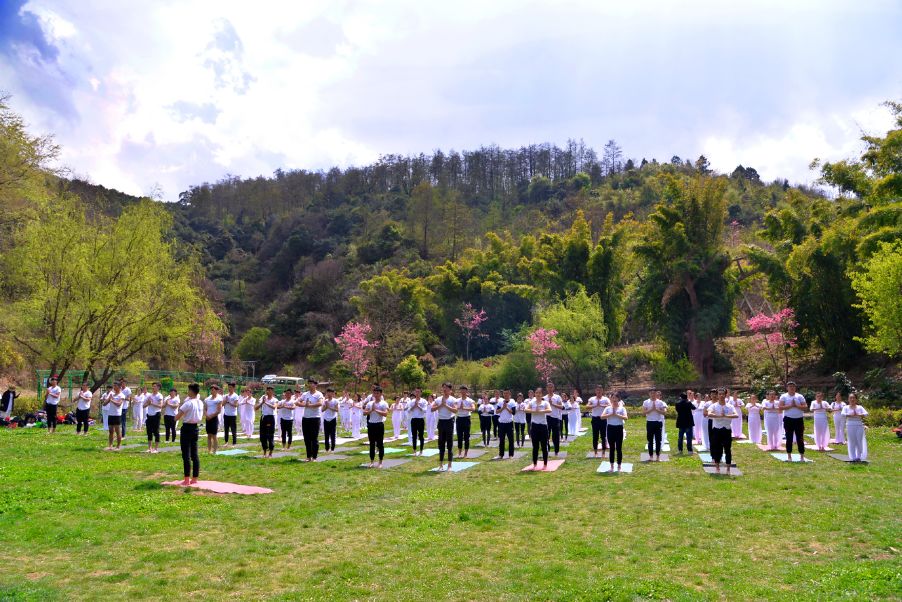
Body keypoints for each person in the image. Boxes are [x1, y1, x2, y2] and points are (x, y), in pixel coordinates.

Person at [174, 383, 203, 485]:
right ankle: (194, 478)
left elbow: (176, 417)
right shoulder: (200, 402)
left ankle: (186, 479)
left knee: (186, 454)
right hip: (195, 427)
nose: (187, 392)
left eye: (188, 390)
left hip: (187, 428)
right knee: (194, 454)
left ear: (191, 391)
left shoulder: (188, 403)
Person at [708, 389, 737, 474]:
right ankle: (717, 468)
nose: (721, 396)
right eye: (719, 394)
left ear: (725, 395)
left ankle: (728, 469)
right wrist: (719, 415)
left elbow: (736, 415)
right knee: (717, 449)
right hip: (717, 429)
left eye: (723, 394)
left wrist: (726, 415)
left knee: (727, 449)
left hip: (727, 429)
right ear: (717, 395)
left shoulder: (730, 406)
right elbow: (709, 413)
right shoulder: (714, 405)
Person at [432, 383, 458, 471]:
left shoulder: (453, 399)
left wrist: (445, 405)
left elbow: (455, 410)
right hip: (441, 422)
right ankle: (441, 465)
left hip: (449, 422)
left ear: (450, 390)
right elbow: (432, 409)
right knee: (441, 444)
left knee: (449, 444)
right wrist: (441, 405)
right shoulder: (438, 399)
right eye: (443, 388)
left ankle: (449, 465)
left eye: (446, 388)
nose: (444, 389)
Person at [779, 381, 807, 462]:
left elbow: (805, 407)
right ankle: (789, 456)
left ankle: (802, 457)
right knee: (789, 438)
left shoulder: (800, 396)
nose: (791, 388)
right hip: (788, 419)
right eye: (790, 386)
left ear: (795, 387)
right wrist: (790, 405)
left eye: (793, 386)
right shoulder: (784, 396)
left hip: (799, 419)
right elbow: (780, 407)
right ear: (787, 388)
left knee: (800, 438)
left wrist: (796, 406)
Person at [600, 394, 628, 472]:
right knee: (611, 448)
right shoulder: (608, 408)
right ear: (611, 399)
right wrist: (610, 414)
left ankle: (619, 466)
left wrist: (616, 415)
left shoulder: (622, 408)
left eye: (615, 397)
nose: (614, 399)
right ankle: (612, 467)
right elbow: (602, 417)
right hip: (610, 428)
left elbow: (626, 418)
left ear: (618, 398)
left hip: (619, 428)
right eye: (613, 398)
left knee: (619, 448)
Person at [525, 392, 551, 470]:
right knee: (535, 446)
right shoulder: (531, 402)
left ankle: (545, 464)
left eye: (539, 393)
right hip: (535, 426)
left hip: (543, 426)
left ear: (541, 395)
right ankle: (535, 464)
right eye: (537, 393)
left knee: (544, 446)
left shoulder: (545, 402)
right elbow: (526, 410)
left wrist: (540, 411)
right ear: (535, 395)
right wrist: (534, 411)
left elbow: (549, 410)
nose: (538, 395)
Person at [364, 386, 389, 468]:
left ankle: (380, 462)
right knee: (371, 444)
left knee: (380, 444)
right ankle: (371, 461)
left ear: (381, 394)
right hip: (371, 424)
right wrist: (371, 410)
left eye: (378, 393)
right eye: (375, 393)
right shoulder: (370, 403)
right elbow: (364, 413)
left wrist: (376, 410)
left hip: (379, 424)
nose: (376, 394)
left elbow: (385, 414)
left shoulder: (384, 403)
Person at [299, 379, 324, 461]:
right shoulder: (305, 394)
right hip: (305, 418)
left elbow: (320, 403)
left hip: (315, 418)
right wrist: (304, 405)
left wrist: (310, 405)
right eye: (309, 384)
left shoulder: (318, 394)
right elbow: (297, 402)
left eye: (311, 384)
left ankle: (314, 457)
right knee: (306, 438)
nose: (310, 385)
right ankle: (308, 456)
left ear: (315, 385)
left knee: (314, 438)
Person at [842, 393, 868, 462]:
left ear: (856, 399)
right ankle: (853, 457)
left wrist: (859, 414)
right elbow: (843, 414)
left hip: (859, 425)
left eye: (853, 398)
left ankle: (859, 456)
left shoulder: (859, 407)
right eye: (850, 398)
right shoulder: (846, 407)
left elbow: (866, 414)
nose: (852, 399)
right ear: (848, 399)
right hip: (850, 425)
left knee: (859, 441)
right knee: (852, 441)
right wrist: (850, 415)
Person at [642, 390, 667, 461]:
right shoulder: (646, 402)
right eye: (651, 393)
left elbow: (664, 412)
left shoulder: (660, 402)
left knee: (658, 440)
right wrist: (651, 409)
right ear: (649, 394)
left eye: (654, 393)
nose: (653, 395)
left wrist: (656, 409)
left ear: (656, 394)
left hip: (658, 422)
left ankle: (658, 456)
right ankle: (651, 456)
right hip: (650, 422)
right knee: (650, 440)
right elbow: (643, 413)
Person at [587, 386, 610, 457]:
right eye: (597, 390)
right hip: (595, 419)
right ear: (595, 391)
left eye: (600, 390)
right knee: (595, 436)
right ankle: (595, 452)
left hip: (603, 419)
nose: (599, 392)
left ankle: (603, 452)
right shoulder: (592, 399)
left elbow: (610, 405)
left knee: (603, 436)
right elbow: (587, 406)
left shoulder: (605, 399)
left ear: (602, 391)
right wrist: (595, 405)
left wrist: (601, 405)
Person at [256, 386, 278, 457]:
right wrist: (262, 402)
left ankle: (271, 452)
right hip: (263, 417)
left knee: (270, 435)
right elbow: (256, 408)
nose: (268, 392)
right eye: (267, 390)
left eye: (270, 390)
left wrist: (266, 403)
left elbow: (274, 407)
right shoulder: (263, 398)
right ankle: (264, 451)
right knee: (262, 435)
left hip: (270, 418)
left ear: (272, 392)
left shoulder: (275, 399)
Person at [496, 389, 517, 459]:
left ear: (509, 394)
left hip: (509, 423)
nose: (505, 395)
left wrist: (507, 408)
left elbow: (514, 412)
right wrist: (503, 408)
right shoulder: (500, 401)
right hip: (501, 423)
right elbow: (497, 411)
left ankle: (511, 455)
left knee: (511, 439)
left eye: (507, 393)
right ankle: (501, 454)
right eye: (504, 393)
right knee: (501, 439)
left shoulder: (512, 402)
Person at [143, 382, 164, 453]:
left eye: (154, 386)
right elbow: (144, 405)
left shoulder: (159, 396)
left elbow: (160, 406)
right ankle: (149, 448)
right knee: (149, 431)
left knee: (156, 431)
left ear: (158, 388)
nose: (153, 388)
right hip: (149, 415)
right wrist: (147, 403)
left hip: (156, 414)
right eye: (152, 386)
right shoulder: (150, 396)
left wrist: (151, 403)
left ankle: (156, 449)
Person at [407, 388, 428, 456]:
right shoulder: (412, 401)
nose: (417, 393)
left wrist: (418, 406)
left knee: (421, 435)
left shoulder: (424, 401)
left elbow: (425, 410)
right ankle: (414, 450)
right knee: (414, 435)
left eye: (418, 392)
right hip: (414, 420)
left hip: (420, 419)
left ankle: (421, 450)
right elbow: (409, 410)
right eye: (416, 392)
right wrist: (414, 406)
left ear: (421, 393)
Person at [456, 385, 475, 459]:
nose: (462, 392)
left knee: (466, 436)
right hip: (459, 419)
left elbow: (473, 408)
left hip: (466, 419)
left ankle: (466, 453)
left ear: (467, 391)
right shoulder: (457, 400)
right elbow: (454, 408)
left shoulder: (470, 400)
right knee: (459, 436)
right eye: (461, 390)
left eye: (464, 390)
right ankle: (460, 452)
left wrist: (464, 408)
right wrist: (459, 407)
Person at [545, 383, 564, 457]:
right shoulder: (544, 398)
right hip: (547, 418)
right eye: (548, 387)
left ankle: (556, 450)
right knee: (546, 435)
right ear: (546, 388)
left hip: (555, 418)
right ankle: (547, 449)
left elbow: (561, 407)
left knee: (555, 435)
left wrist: (552, 404)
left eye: (551, 387)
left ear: (553, 388)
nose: (550, 389)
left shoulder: (557, 397)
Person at [203, 384, 223, 454]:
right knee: (209, 435)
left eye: (213, 390)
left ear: (217, 391)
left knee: (214, 435)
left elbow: (219, 410)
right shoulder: (207, 399)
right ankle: (209, 450)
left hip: (214, 418)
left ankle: (214, 451)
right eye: (211, 390)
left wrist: (211, 416)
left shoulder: (219, 399)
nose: (212, 391)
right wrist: (206, 415)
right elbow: (204, 409)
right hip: (208, 418)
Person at [104, 382, 125, 450]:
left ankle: (118, 446)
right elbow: (104, 404)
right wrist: (108, 399)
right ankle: (110, 445)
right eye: (113, 386)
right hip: (111, 414)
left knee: (117, 431)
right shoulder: (111, 394)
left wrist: (111, 400)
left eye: (115, 386)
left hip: (117, 415)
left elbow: (119, 404)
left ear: (119, 387)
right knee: (110, 431)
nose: (114, 387)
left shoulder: (121, 395)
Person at [221, 382, 240, 446]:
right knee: (226, 429)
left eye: (231, 387)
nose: (229, 389)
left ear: (234, 388)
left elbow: (236, 405)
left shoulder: (235, 396)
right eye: (228, 387)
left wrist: (229, 401)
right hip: (226, 414)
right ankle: (226, 442)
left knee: (233, 429)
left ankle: (234, 443)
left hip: (232, 415)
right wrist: (225, 401)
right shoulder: (226, 396)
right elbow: (222, 405)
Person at [322, 388, 339, 452]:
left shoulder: (335, 401)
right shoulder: (325, 401)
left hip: (332, 418)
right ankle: (327, 448)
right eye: (327, 392)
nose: (329, 394)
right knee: (326, 434)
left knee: (332, 434)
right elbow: (322, 410)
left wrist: (329, 407)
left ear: (332, 393)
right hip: (326, 418)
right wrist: (326, 407)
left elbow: (337, 410)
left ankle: (332, 448)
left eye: (330, 392)